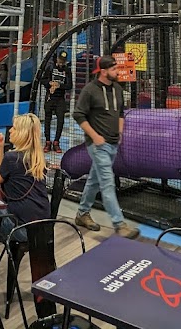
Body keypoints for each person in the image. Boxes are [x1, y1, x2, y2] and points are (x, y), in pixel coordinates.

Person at [72, 56, 138, 238]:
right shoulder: (90, 90)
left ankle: (82, 213)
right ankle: (119, 224)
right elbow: (78, 115)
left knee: (94, 180)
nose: (117, 72)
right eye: (114, 69)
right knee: (108, 183)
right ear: (103, 71)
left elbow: (121, 112)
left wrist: (120, 132)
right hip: (98, 145)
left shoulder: (117, 89)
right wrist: (95, 136)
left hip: (112, 143)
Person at [0, 114, 50, 243]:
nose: (10, 130)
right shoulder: (38, 159)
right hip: (43, 228)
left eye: (14, 128)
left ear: (22, 133)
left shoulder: (12, 158)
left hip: (22, 230)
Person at [41, 51, 72, 153]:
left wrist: (59, 85)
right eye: (60, 60)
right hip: (50, 97)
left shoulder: (67, 70)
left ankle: (56, 142)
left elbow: (69, 85)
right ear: (57, 59)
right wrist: (50, 83)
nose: (61, 63)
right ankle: (47, 141)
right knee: (47, 119)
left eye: (63, 61)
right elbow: (43, 80)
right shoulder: (50, 68)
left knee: (60, 120)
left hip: (60, 98)